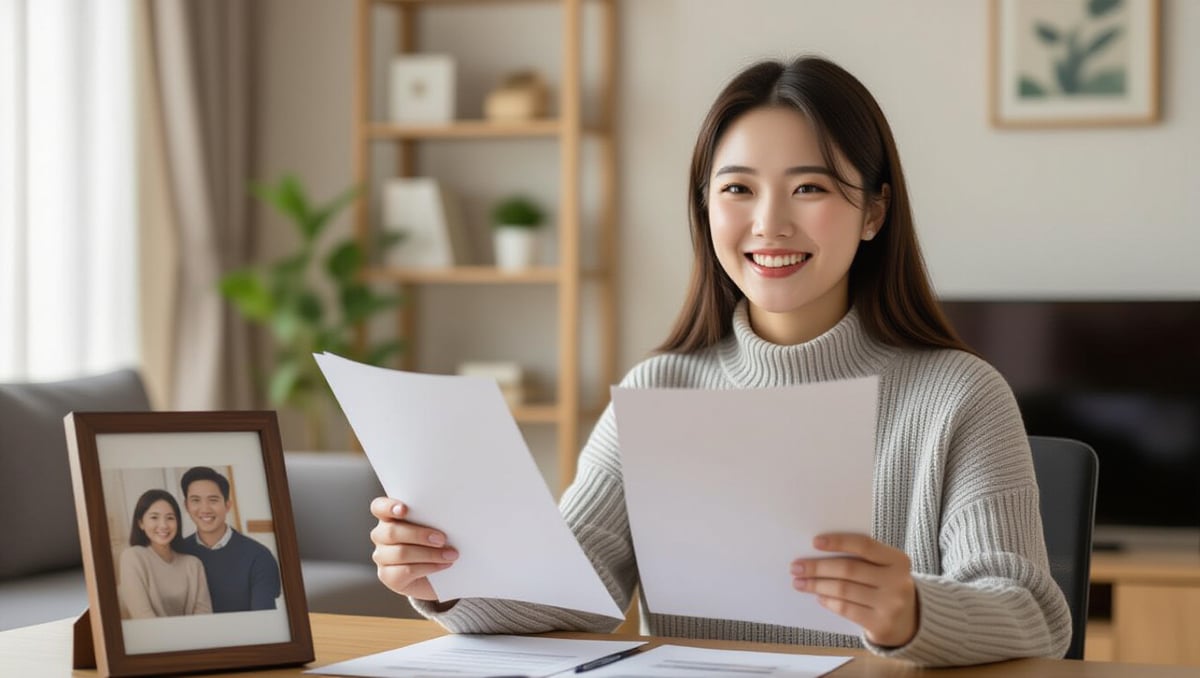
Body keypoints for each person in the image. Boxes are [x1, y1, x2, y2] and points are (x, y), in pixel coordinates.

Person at [367, 56, 1072, 666]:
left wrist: (910, 610)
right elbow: (572, 591)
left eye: (811, 187)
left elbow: (1035, 619)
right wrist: (448, 578)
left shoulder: (960, 395)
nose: (770, 222)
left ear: (874, 212)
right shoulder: (660, 388)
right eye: (737, 189)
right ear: (705, 208)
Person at [176, 466, 281, 612]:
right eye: (195, 500)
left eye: (213, 500)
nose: (204, 508)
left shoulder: (259, 556)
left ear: (227, 505)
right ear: (186, 506)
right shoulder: (177, 553)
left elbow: (263, 620)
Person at [118, 489, 213, 619]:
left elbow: (204, 616)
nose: (163, 525)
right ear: (141, 523)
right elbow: (143, 616)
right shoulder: (133, 557)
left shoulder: (193, 564)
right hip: (153, 638)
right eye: (154, 517)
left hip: (193, 638)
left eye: (170, 518)